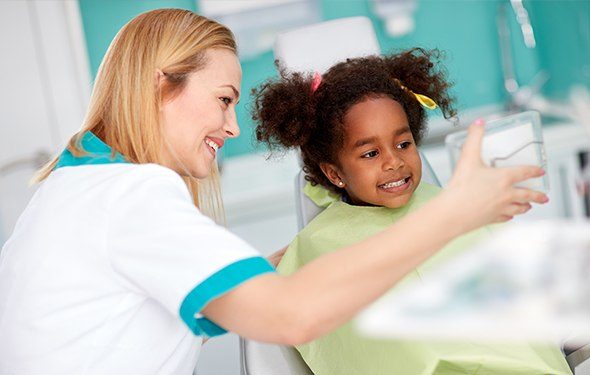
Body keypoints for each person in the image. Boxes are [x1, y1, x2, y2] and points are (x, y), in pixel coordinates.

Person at [0, 9, 548, 374]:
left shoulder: (75, 185)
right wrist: (453, 212)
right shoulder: (131, 196)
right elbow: (291, 316)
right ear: (159, 84)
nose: (232, 126)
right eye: (222, 99)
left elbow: (159, 309)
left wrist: (282, 261)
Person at [253, 49, 571, 374]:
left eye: (404, 144)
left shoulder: (449, 205)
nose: (394, 161)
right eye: (371, 153)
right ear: (334, 173)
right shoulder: (320, 245)